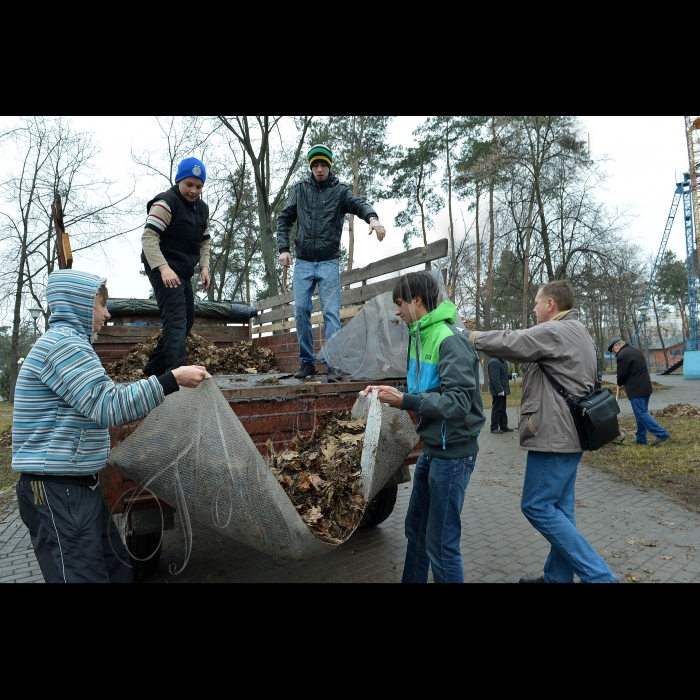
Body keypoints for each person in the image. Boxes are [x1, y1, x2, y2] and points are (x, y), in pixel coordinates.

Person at [12, 269, 208, 583]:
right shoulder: (64, 347)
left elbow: (98, 397)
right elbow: (108, 404)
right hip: (57, 490)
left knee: (116, 570)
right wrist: (172, 379)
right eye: (101, 305)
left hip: (75, 486)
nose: (107, 312)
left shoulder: (70, 345)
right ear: (79, 304)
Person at [469, 280, 618, 583]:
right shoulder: (579, 331)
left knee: (536, 505)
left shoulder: (556, 330)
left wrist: (470, 336)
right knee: (562, 511)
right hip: (570, 434)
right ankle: (556, 578)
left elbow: (513, 342)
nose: (534, 308)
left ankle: (601, 578)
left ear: (550, 304)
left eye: (537, 303)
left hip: (555, 436)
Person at [363, 272, 485, 583]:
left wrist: (405, 399)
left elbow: (457, 402)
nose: (397, 311)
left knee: (441, 543)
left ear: (417, 301)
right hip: (432, 449)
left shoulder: (449, 339)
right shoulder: (419, 337)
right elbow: (425, 388)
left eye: (400, 303)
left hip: (453, 454)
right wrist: (391, 392)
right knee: (415, 529)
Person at [277, 144, 386, 382]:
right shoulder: (300, 189)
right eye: (315, 165)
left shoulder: (339, 191)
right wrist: (283, 249)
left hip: (328, 262)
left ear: (329, 166)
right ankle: (307, 363)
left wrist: (373, 218)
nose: (318, 169)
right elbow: (284, 218)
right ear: (310, 167)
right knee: (301, 311)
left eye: (322, 165)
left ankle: (333, 364)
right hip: (303, 261)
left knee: (331, 314)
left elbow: (359, 204)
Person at [140, 157, 211, 376]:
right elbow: (149, 237)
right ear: (179, 180)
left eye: (198, 186)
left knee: (187, 319)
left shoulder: (202, 209)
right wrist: (163, 268)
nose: (194, 190)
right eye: (189, 184)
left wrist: (205, 268)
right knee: (176, 319)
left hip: (182, 270)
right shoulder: (166, 203)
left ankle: (153, 370)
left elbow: (204, 241)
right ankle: (175, 375)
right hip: (162, 267)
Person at [608, 337, 670, 446]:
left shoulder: (622, 355)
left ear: (617, 345)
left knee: (640, 413)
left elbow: (622, 374)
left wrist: (619, 381)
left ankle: (662, 433)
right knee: (641, 413)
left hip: (636, 388)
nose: (614, 353)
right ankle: (641, 438)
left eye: (613, 350)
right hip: (645, 386)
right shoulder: (635, 350)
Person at [488, 356, 514, 434]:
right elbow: (495, 377)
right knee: (497, 409)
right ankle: (494, 427)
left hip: (502, 390)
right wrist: (499, 389)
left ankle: (503, 426)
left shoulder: (499, 361)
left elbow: (502, 375)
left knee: (502, 408)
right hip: (498, 391)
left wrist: (510, 376)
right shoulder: (494, 362)